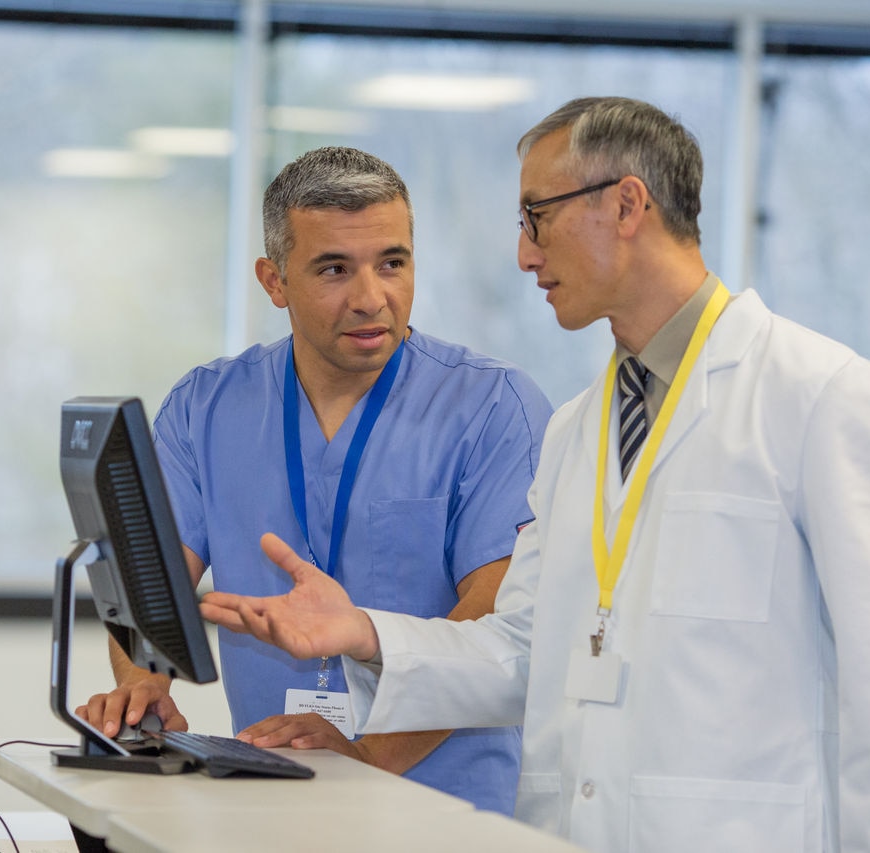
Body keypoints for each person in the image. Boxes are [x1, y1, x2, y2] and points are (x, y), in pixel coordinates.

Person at [201, 98, 870, 852]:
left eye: (538, 216)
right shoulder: (576, 428)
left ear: (627, 204)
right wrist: (364, 631)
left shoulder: (817, 393)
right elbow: (525, 650)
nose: (525, 253)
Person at [76, 146, 553, 814]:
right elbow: (151, 583)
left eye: (393, 263)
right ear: (275, 281)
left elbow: (497, 618)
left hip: (444, 812)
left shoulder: (493, 407)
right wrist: (142, 678)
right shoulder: (206, 407)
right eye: (334, 269)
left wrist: (365, 756)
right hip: (275, 798)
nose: (370, 297)